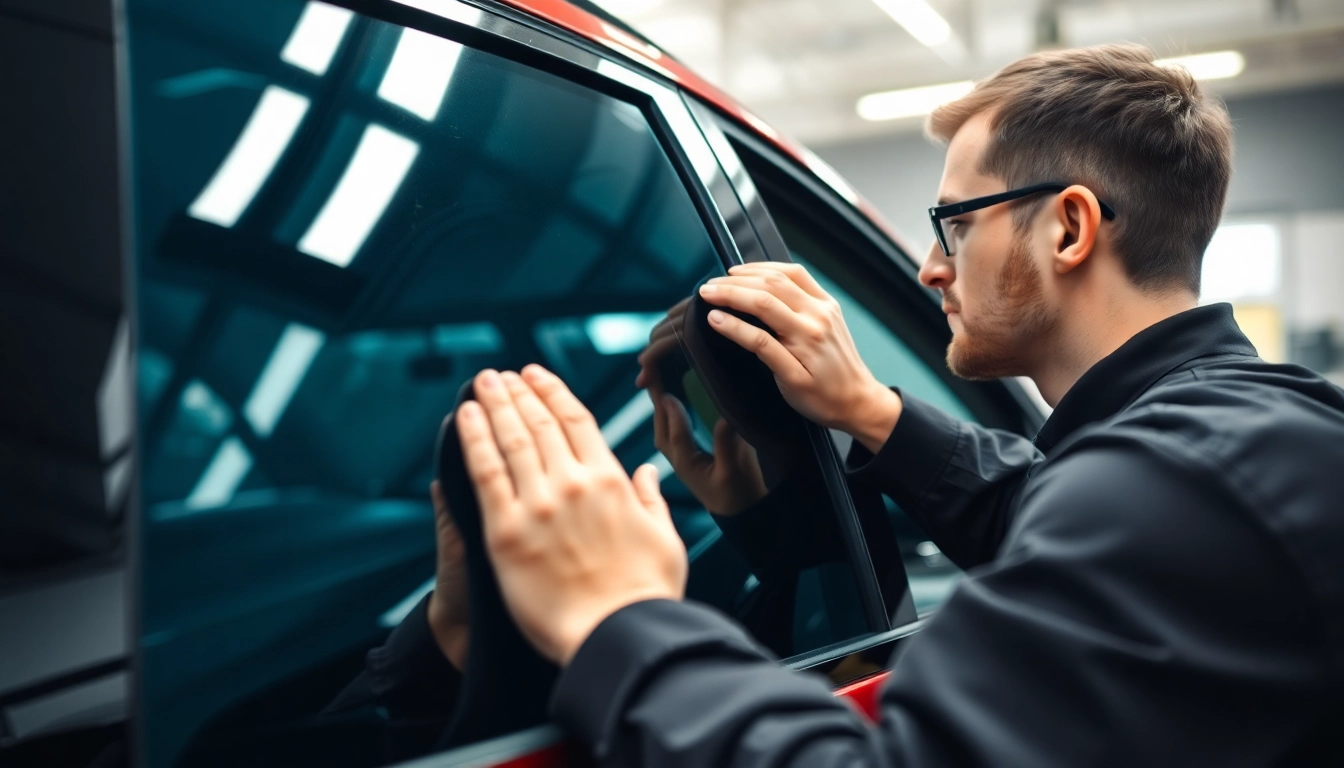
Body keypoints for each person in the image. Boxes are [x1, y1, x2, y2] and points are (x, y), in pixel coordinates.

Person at [342, 42, 1344, 764]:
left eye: (952, 223)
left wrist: (620, 613)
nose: (930, 266)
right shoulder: (1230, 437)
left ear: (1069, 229)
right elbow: (1036, 509)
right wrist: (869, 410)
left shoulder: (1180, 477)